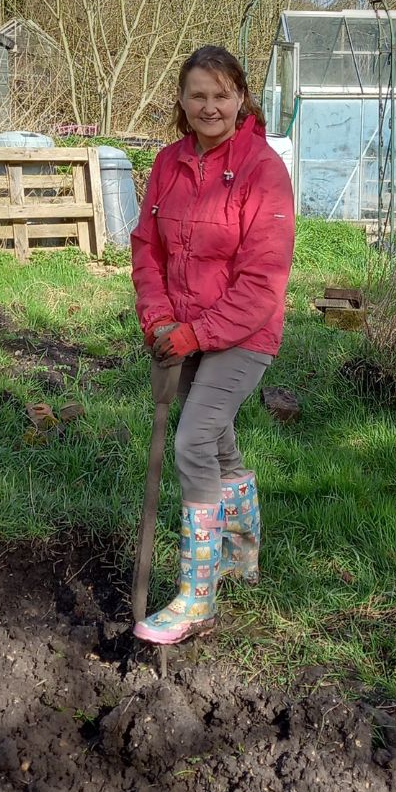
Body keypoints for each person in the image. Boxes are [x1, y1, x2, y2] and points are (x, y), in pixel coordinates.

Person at [130, 45, 296, 645]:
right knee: (218, 433)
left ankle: (198, 596)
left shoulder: (263, 170)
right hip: (182, 323)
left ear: (241, 98)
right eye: (197, 95)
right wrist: (159, 319)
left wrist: (195, 334)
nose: (209, 107)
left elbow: (261, 283)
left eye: (221, 95)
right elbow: (147, 247)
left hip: (245, 333)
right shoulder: (168, 163)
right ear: (180, 100)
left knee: (195, 436)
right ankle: (242, 553)